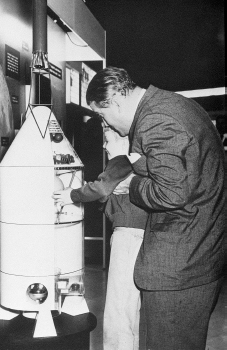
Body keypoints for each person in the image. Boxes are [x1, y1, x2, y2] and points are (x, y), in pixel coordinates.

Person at [84, 66, 226, 350]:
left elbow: (170, 192)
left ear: (116, 101)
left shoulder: (155, 120)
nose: (107, 124)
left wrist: (130, 184)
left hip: (180, 264)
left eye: (103, 115)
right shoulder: (174, 104)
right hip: (201, 253)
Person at [53, 127, 148, 350]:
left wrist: (72, 194)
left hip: (127, 236)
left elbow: (103, 189)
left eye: (107, 140)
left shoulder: (120, 161)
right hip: (139, 235)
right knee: (129, 308)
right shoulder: (135, 164)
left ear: (125, 140)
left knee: (118, 309)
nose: (104, 146)